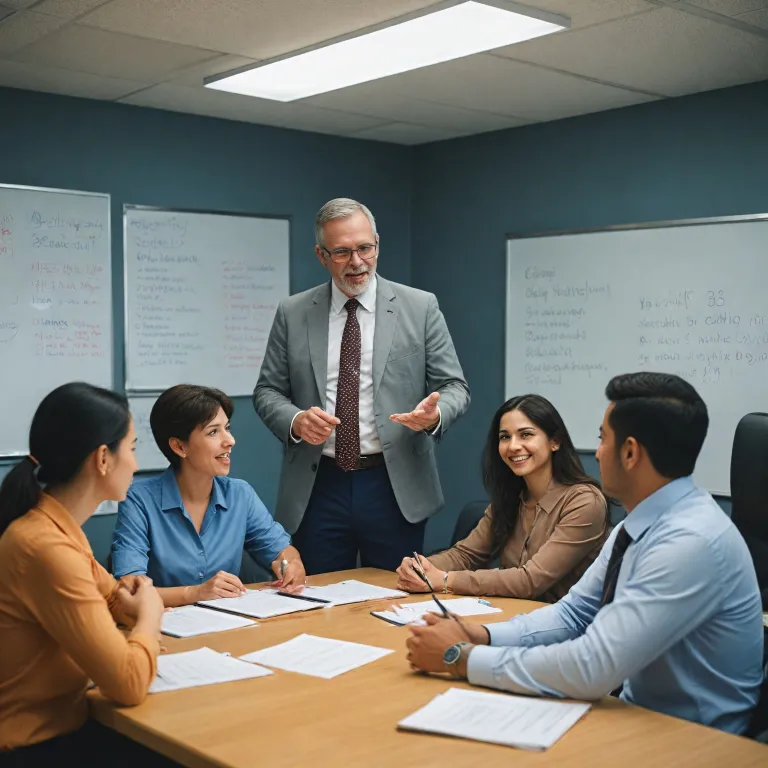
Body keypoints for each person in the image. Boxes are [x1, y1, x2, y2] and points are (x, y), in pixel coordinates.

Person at [405, 372, 764, 735]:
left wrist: (461, 658)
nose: (599, 451)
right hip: (635, 714)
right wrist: (483, 635)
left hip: (693, 738)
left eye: (602, 439)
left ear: (629, 453)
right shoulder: (636, 526)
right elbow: (575, 614)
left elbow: (593, 666)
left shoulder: (689, 541)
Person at [253, 198, 470, 574]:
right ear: (321, 255)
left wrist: (435, 416)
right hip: (319, 483)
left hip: (394, 482)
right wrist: (296, 420)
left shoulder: (419, 307)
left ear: (377, 244)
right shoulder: (293, 312)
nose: (357, 262)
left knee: (394, 599)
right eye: (342, 252)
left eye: (365, 248)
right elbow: (267, 391)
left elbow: (454, 386)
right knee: (317, 602)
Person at [0, 382, 167, 762]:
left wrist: (134, 608)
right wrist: (150, 618)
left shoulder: (56, 525)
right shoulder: (45, 546)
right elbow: (128, 683)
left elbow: (113, 599)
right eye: (134, 448)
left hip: (64, 729)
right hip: (33, 748)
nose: (137, 465)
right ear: (103, 458)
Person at [396, 395, 607, 600]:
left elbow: (530, 580)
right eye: (505, 437)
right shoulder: (510, 498)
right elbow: (466, 555)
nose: (513, 446)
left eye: (526, 435)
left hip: (568, 624)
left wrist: (444, 580)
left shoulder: (585, 502)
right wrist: (421, 567)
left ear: (555, 441)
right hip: (513, 615)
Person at [111, 385, 305, 606]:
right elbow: (129, 588)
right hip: (163, 628)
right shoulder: (139, 500)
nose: (230, 440)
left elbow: (282, 551)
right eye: (213, 432)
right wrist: (194, 593)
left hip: (228, 624)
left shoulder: (240, 494)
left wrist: (291, 565)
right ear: (179, 446)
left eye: (227, 428)